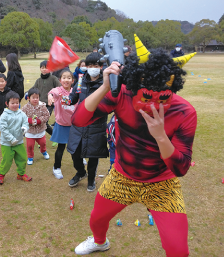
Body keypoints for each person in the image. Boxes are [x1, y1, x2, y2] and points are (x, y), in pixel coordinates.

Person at [72, 49, 197, 256]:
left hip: (162, 184)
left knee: (178, 250)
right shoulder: (123, 94)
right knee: (97, 219)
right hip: (122, 177)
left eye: (162, 98)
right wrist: (104, 87)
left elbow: (181, 167)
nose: (153, 105)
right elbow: (79, 120)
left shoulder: (184, 112)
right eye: (147, 96)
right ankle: (99, 242)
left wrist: (160, 136)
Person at [65, 52, 109, 192]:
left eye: (95, 65)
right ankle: (80, 172)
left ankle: (91, 180)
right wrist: (63, 99)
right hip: (79, 124)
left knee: (93, 156)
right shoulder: (81, 80)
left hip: (96, 124)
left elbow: (110, 103)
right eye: (89, 65)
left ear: (101, 66)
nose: (92, 68)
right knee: (74, 153)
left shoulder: (106, 83)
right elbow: (74, 97)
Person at [47, 70, 78, 179]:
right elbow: (52, 92)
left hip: (74, 125)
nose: (66, 80)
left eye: (69, 78)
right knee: (61, 148)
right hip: (61, 124)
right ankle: (56, 167)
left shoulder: (75, 92)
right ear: (60, 80)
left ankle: (80, 160)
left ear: (72, 81)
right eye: (64, 77)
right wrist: (50, 96)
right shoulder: (58, 90)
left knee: (76, 146)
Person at [0, 91, 31, 185]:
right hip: (7, 143)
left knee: (23, 158)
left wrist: (25, 128)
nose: (15, 105)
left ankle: (21, 174)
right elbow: (4, 129)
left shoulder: (21, 113)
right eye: (12, 103)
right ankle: (1, 174)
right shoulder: (4, 115)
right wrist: (11, 139)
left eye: (17, 103)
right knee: (7, 160)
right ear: (7, 103)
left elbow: (26, 122)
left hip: (19, 141)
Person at [26, 60, 61, 135]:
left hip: (49, 104)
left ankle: (54, 136)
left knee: (44, 122)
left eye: (46, 67)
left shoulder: (53, 78)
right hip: (40, 104)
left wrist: (53, 96)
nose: (44, 69)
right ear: (40, 69)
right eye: (42, 68)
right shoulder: (38, 80)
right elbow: (33, 88)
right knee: (39, 121)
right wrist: (27, 93)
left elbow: (59, 88)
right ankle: (41, 137)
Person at [21, 88, 50, 165]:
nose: (35, 99)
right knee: (30, 145)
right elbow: (21, 117)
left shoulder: (42, 106)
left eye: (37, 97)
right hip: (30, 131)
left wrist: (39, 121)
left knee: (43, 143)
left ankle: (43, 151)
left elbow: (47, 115)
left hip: (40, 130)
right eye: (33, 97)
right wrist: (29, 120)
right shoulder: (25, 107)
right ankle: (30, 157)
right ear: (29, 98)